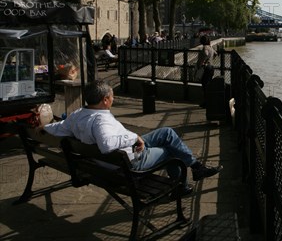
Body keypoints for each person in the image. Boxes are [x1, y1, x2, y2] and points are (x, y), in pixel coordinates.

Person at [42, 80, 222, 195]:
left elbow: (57, 128)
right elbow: (106, 145)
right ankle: (179, 187)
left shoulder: (78, 114)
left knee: (166, 132)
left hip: (111, 159)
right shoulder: (100, 120)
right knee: (171, 150)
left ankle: (197, 167)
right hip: (130, 162)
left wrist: (41, 126)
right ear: (105, 99)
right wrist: (134, 138)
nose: (113, 100)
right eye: (111, 97)